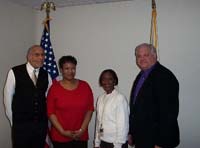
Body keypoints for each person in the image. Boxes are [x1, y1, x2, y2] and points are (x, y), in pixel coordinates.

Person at [128, 43, 180, 148]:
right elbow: (136, 108)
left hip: (157, 140)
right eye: (139, 56)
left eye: (146, 55)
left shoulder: (164, 76)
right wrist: (132, 132)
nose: (142, 59)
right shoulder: (142, 75)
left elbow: (169, 113)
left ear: (154, 56)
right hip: (142, 137)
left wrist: (161, 142)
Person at [4, 45, 52, 148]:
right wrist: (15, 122)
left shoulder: (46, 74)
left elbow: (49, 99)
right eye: (37, 55)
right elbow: (7, 99)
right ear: (29, 57)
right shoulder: (14, 72)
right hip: (21, 126)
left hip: (40, 125)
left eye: (43, 55)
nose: (41, 58)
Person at [47, 55, 94, 148]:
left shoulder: (85, 86)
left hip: (80, 136)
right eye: (67, 68)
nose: (70, 71)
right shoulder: (54, 88)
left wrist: (82, 130)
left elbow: (90, 109)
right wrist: (63, 132)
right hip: (60, 137)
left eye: (73, 68)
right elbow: (50, 112)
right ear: (61, 70)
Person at [94, 69, 129, 148]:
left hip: (116, 144)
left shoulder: (120, 98)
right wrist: (97, 142)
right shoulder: (100, 98)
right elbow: (98, 123)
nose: (106, 82)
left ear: (114, 81)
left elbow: (123, 125)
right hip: (103, 142)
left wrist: (118, 145)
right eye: (104, 79)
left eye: (110, 79)